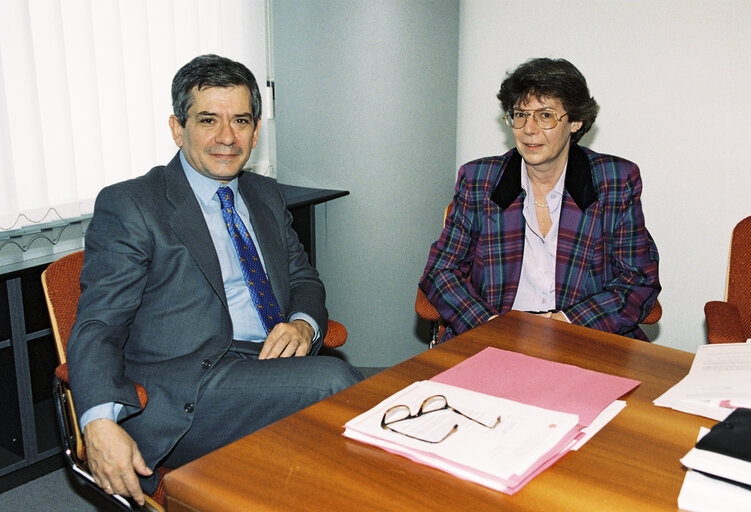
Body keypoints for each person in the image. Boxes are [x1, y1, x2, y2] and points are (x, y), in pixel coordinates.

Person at [67, 54, 362, 504]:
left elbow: (305, 279)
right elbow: (98, 324)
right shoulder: (133, 204)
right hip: (188, 386)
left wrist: (302, 323)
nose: (227, 137)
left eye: (241, 120)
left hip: (263, 362)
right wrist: (99, 420)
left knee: (348, 408)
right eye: (208, 120)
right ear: (177, 128)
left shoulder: (263, 194)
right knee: (335, 385)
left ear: (256, 130)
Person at [419, 57, 660, 342]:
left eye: (545, 115)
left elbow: (638, 281)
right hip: (495, 340)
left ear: (575, 121)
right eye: (520, 114)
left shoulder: (614, 181)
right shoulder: (480, 180)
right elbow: (441, 272)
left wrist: (563, 323)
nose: (529, 129)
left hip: (583, 338)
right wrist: (489, 324)